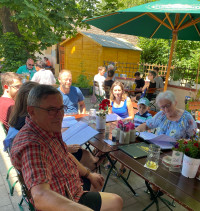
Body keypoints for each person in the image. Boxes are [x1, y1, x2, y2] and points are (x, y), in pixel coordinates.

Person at [10, 85, 123, 211]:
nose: (59, 116)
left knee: (96, 180)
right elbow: (40, 195)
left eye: (61, 108)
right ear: (31, 111)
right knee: (116, 201)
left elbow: (66, 154)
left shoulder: (46, 129)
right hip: (65, 197)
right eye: (51, 110)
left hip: (72, 185)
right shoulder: (32, 145)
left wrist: (89, 174)